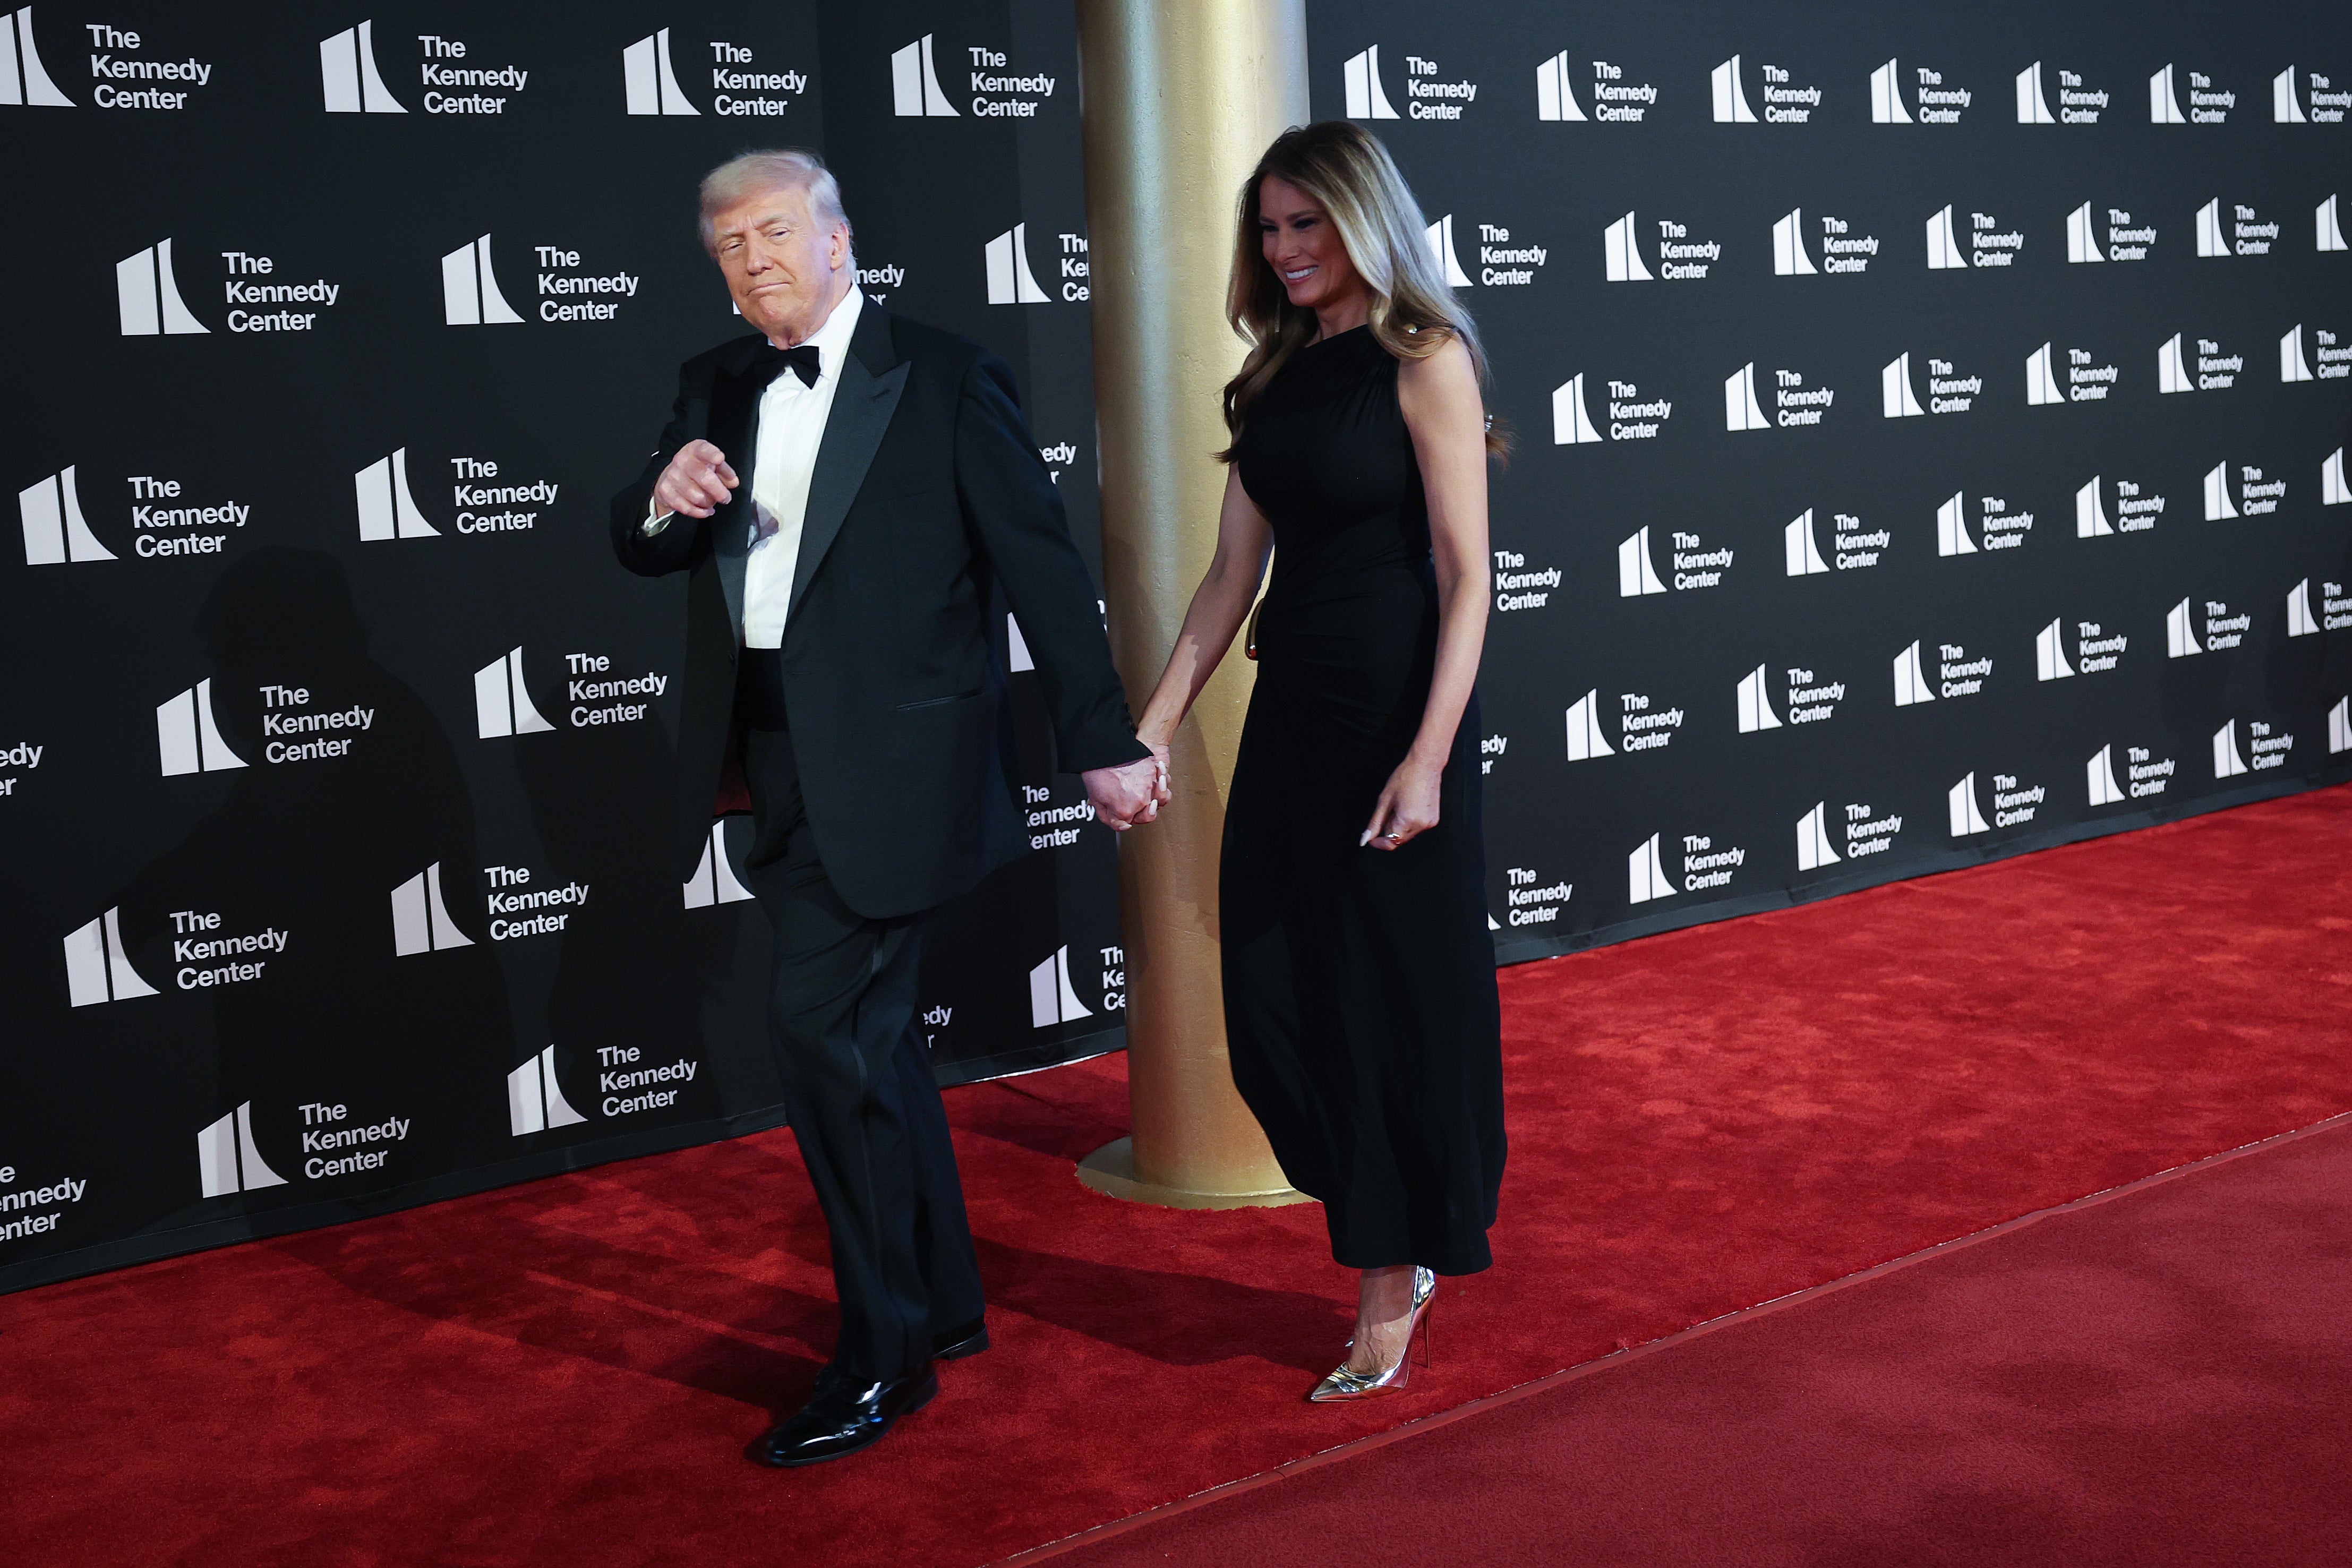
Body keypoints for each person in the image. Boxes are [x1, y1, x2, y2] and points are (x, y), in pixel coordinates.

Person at [610, 150, 1166, 1466]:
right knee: (868, 1047)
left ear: (838, 238)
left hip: (899, 770)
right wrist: (661, 497)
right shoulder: (713, 380)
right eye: (729, 245)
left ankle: (883, 1356)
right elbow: (640, 544)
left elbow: (1041, 566)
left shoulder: (945, 375)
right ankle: (943, 1302)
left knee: (825, 1039)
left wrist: (1100, 738)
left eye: (774, 231)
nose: (754, 259)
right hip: (769, 757)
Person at [1131, 122, 1507, 1401]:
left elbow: (1466, 577)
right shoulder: (1272, 379)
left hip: (1397, 719)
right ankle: (1386, 1224)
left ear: (1363, 221)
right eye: (1270, 228)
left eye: (1308, 224)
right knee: (1276, 999)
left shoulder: (1425, 357)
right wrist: (1152, 727)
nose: (1286, 248)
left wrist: (1429, 759)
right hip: (1295, 716)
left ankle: (1390, 1272)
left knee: (1390, 1002)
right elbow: (1227, 580)